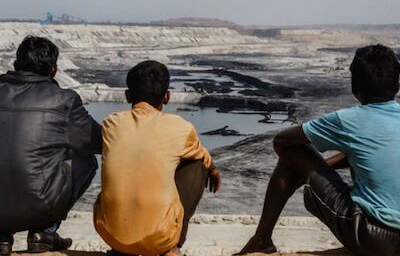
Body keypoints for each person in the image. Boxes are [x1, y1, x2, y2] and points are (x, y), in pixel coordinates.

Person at [236, 44, 400, 256]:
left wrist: (310, 171)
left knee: (293, 152)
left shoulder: (348, 120)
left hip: (373, 238)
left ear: (355, 87)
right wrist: (324, 168)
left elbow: (281, 142)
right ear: (397, 85)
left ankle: (261, 239)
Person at [94, 60, 221, 256]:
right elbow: (202, 156)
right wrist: (212, 169)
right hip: (158, 241)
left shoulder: (111, 123)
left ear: (128, 95)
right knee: (196, 163)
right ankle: (173, 245)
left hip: (110, 235)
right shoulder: (180, 126)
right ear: (167, 96)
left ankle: (124, 237)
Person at [0, 36, 102, 255]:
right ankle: (44, 231)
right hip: (39, 205)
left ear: (16, 65)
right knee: (86, 161)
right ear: (54, 70)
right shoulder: (63, 100)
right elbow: (95, 142)